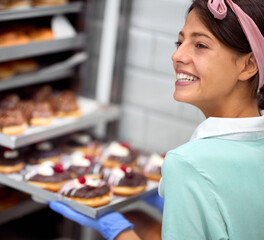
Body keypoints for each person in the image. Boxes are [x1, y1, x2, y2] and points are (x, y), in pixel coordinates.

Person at [50, 0, 264, 239]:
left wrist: (118, 231)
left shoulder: (188, 164)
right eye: (180, 42)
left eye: (201, 45)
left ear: (248, 65)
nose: (177, 55)